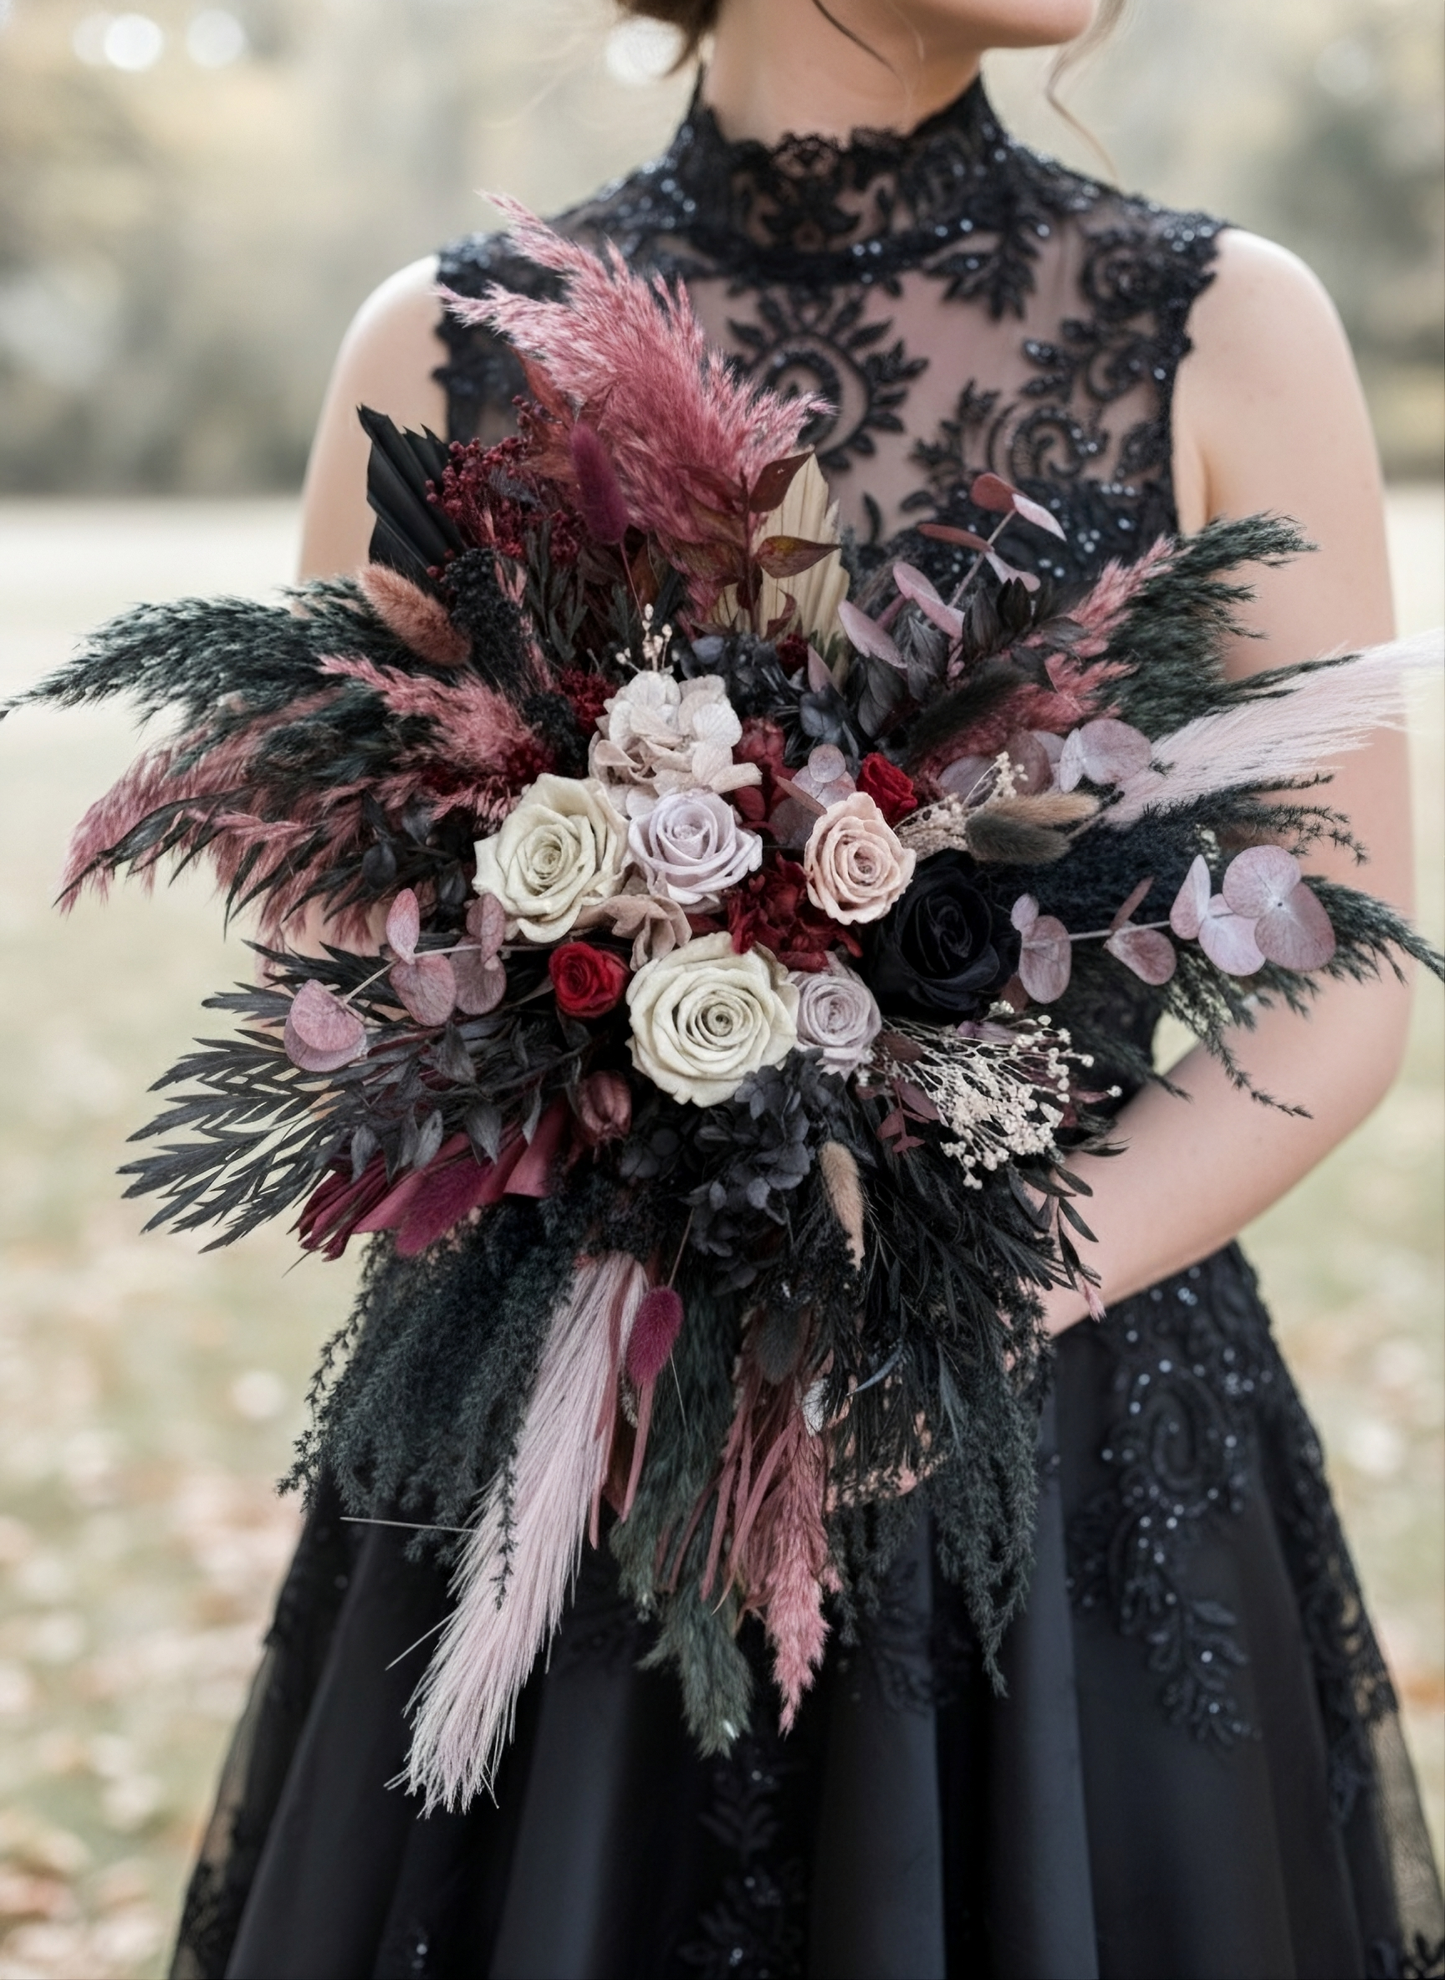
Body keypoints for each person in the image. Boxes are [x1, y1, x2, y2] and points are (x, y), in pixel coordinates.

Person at [171, 2, 1445, 1974]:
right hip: (578, 1444)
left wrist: (960, 1303)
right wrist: (577, 1089)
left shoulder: (1224, 327)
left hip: (1065, 1426)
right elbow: (336, 910)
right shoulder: (446, 343)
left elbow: (1335, 984)